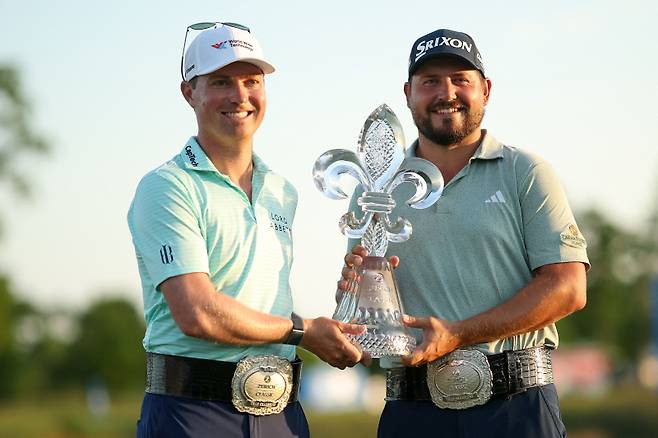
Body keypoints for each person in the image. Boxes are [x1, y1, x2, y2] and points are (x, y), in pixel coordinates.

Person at [340, 28, 589, 437]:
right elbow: (364, 306)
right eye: (430, 82)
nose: (447, 92)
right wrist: (352, 308)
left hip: (516, 405)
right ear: (408, 92)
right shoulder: (374, 190)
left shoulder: (525, 172)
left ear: (485, 89)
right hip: (412, 409)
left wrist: (458, 334)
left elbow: (568, 288)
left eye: (461, 79)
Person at [128, 22, 366, 438]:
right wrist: (304, 332)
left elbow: (263, 303)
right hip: (192, 412)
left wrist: (357, 297)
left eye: (252, 81)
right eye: (221, 82)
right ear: (190, 92)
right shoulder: (167, 186)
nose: (240, 96)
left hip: (282, 415)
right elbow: (197, 313)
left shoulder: (281, 190)